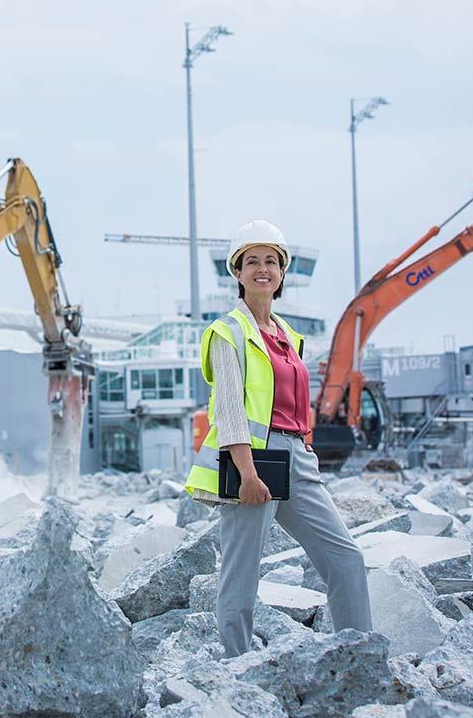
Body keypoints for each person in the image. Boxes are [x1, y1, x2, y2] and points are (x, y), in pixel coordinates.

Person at [184, 219, 371, 657]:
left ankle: (361, 655)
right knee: (242, 574)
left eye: (271, 261)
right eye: (252, 261)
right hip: (253, 462)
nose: (262, 269)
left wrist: (306, 448)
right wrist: (247, 473)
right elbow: (230, 409)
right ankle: (237, 667)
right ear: (238, 272)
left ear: (283, 272)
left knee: (346, 559)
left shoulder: (289, 335)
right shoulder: (226, 333)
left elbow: (293, 402)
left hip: (297, 461)